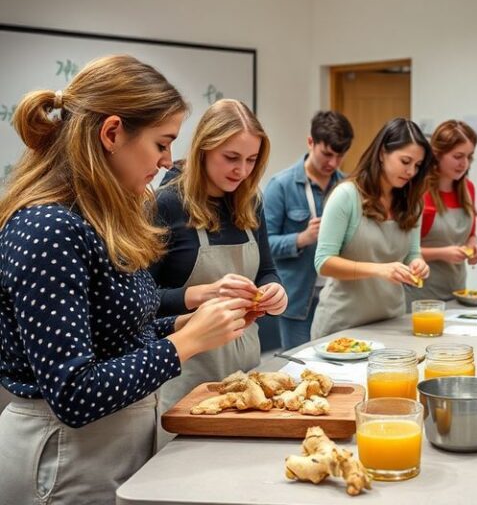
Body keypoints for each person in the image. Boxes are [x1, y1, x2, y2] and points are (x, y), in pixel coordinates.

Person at [0, 55, 254, 504]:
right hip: (64, 459)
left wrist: (186, 323)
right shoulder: (49, 229)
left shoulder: (97, 219)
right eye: (161, 144)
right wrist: (186, 343)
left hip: (111, 445)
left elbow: (113, 332)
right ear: (112, 132)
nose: (167, 161)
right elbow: (75, 393)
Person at [149, 99, 287, 420]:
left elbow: (267, 270)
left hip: (247, 369)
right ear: (204, 149)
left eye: (252, 160)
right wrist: (204, 293)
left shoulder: (251, 201)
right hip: (186, 374)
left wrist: (274, 291)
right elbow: (143, 302)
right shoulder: (167, 204)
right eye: (231, 158)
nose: (242, 170)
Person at [311, 117, 433, 338]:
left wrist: (418, 263)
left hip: (392, 322)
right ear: (381, 153)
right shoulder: (347, 196)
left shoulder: (413, 202)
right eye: (405, 161)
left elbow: (413, 253)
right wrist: (379, 269)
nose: (411, 172)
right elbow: (323, 262)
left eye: (417, 166)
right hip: (343, 327)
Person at [264, 111, 354, 350]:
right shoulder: (281, 186)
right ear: (310, 142)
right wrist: (302, 238)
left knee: (339, 367)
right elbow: (265, 246)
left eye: (340, 156)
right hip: (298, 299)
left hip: (338, 297)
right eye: (327, 154)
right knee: (300, 366)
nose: (333, 163)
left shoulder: (348, 187)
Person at [406, 119, 477, 303]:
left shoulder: (468, 189)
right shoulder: (417, 192)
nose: (464, 163)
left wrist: (474, 247)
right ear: (437, 154)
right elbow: (403, 251)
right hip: (419, 296)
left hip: (456, 292)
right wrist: (442, 253)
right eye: (458, 156)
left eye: (469, 157)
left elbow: (470, 235)